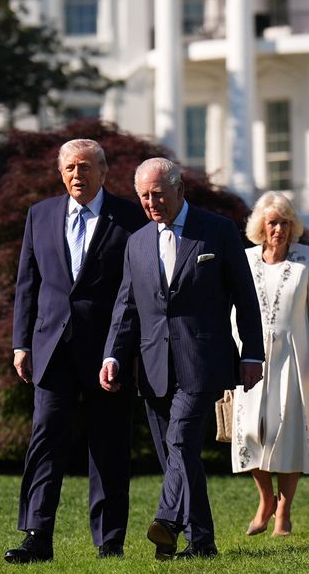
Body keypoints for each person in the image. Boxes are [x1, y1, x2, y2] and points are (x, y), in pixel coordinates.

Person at [100, 157, 264, 560]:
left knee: (181, 439)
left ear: (179, 190)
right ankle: (201, 541)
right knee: (180, 455)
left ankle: (167, 521)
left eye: (158, 194)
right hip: (153, 363)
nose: (151, 203)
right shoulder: (137, 242)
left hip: (202, 358)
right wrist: (113, 356)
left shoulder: (218, 231)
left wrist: (253, 354)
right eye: (143, 196)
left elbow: (246, 297)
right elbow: (127, 307)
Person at [5, 139, 148, 563]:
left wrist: (124, 348)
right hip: (51, 349)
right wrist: (20, 343)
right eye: (69, 167)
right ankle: (36, 536)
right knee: (45, 440)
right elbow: (26, 283)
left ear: (104, 172)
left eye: (85, 167)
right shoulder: (40, 214)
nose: (76, 175)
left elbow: (137, 289)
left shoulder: (128, 217)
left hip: (109, 352)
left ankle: (109, 542)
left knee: (108, 446)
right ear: (60, 172)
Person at [231, 191, 309, 538]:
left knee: (287, 434)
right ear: (261, 226)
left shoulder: (308, 258)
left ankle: (284, 512)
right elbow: (234, 312)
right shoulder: (245, 260)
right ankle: (265, 501)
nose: (279, 229)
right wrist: (239, 351)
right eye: (273, 223)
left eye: (285, 223)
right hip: (253, 358)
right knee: (250, 432)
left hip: (295, 356)